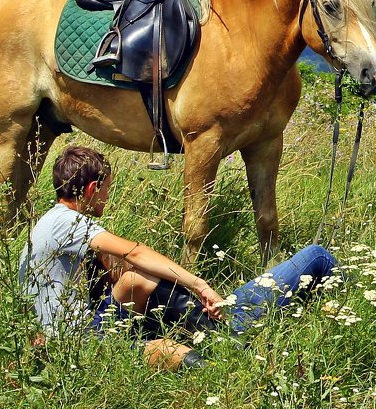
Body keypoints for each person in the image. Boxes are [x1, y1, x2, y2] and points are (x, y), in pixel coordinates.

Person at [20, 145, 338, 369]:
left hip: (80, 334)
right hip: (85, 339)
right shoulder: (69, 222)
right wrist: (201, 285)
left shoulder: (45, 226)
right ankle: (230, 331)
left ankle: (219, 325)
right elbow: (135, 251)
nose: (106, 197)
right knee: (318, 257)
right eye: (105, 190)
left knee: (136, 277)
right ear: (91, 189)